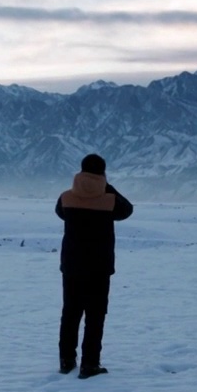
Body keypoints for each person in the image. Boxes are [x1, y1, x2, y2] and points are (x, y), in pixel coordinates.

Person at [54, 153, 133, 378]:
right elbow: (128, 210)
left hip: (71, 265)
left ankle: (66, 360)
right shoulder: (110, 200)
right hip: (99, 266)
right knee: (95, 315)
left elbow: (60, 214)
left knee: (70, 312)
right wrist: (107, 187)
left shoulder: (66, 198)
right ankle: (90, 364)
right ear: (103, 173)